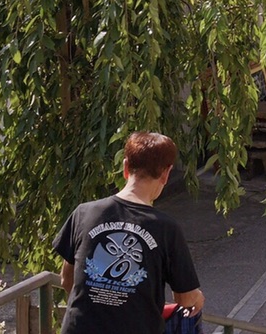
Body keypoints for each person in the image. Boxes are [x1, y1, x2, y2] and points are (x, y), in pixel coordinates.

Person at [53, 131, 202, 334]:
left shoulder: (84, 212)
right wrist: (197, 297)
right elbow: (184, 298)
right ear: (166, 174)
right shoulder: (167, 228)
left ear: (125, 167)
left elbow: (66, 280)